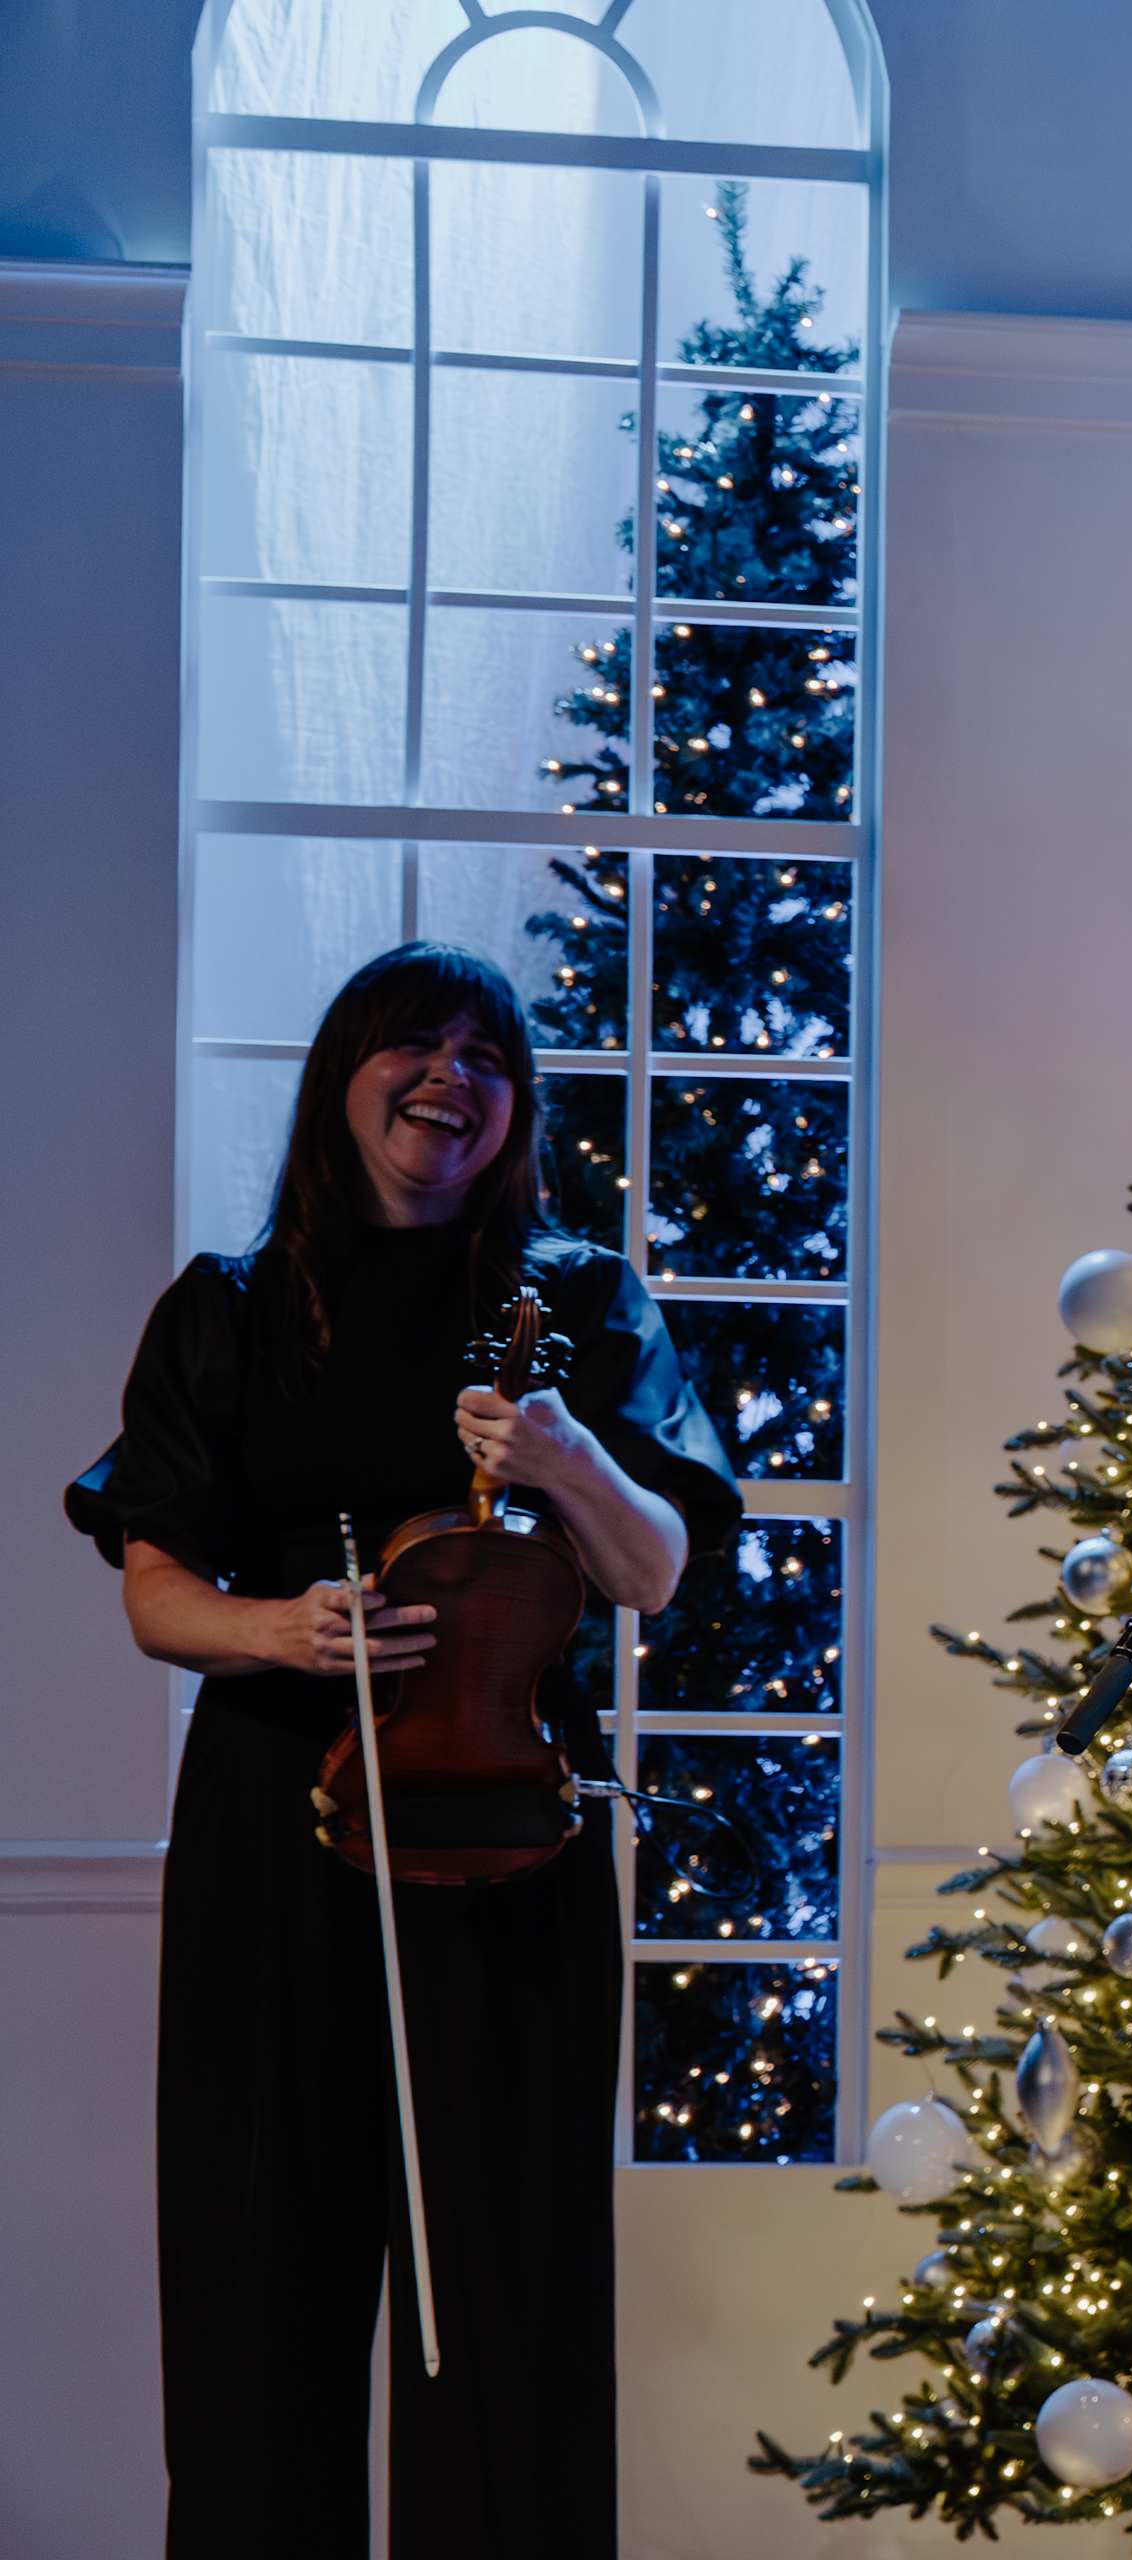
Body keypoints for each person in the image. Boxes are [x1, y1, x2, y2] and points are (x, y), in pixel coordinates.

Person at [67, 943, 740, 2559]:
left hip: (510, 1826)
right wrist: (284, 1630)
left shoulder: (577, 1299)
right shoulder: (229, 1306)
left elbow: (655, 1571)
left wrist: (569, 1454)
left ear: (517, 1108)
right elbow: (157, 1590)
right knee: (259, 2272)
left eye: (486, 1056)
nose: (451, 1076)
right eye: (413, 1045)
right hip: (276, 1815)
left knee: (506, 2283)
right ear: (343, 1074)